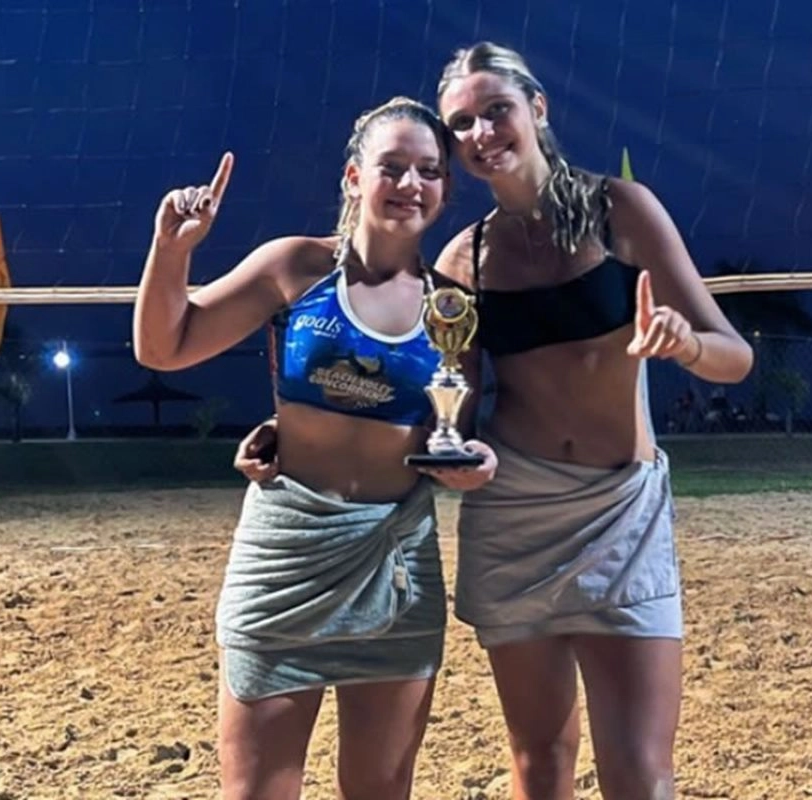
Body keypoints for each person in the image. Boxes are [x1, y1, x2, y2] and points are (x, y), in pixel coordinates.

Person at [134, 96, 496, 800]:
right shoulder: (294, 268)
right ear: (355, 177)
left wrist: (471, 466)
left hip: (395, 563)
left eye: (428, 170)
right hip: (286, 555)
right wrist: (172, 250)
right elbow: (163, 345)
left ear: (445, 190)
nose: (410, 183)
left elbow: (455, 434)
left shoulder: (451, 309)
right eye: (392, 166)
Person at [431, 42, 754, 800]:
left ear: (537, 109)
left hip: (623, 514)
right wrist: (448, 452)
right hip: (515, 518)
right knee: (539, 760)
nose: (481, 132)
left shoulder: (621, 210)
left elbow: (734, 355)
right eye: (462, 124)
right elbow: (458, 404)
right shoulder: (462, 261)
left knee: (640, 770)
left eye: (496, 110)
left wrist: (686, 343)